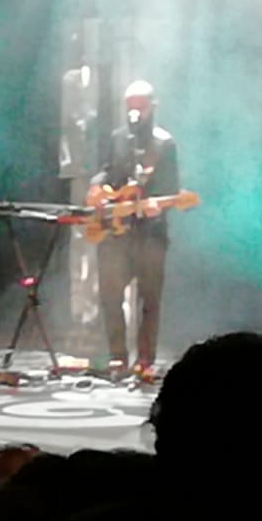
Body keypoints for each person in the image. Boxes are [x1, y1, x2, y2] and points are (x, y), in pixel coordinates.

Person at [89, 80, 180, 382]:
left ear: (153, 107)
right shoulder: (117, 138)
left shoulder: (164, 143)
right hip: (117, 232)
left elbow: (172, 190)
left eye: (140, 106)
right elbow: (107, 170)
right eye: (130, 106)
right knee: (110, 295)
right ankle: (117, 357)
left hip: (150, 233)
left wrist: (158, 205)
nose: (134, 112)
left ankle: (145, 360)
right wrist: (97, 185)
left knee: (149, 299)